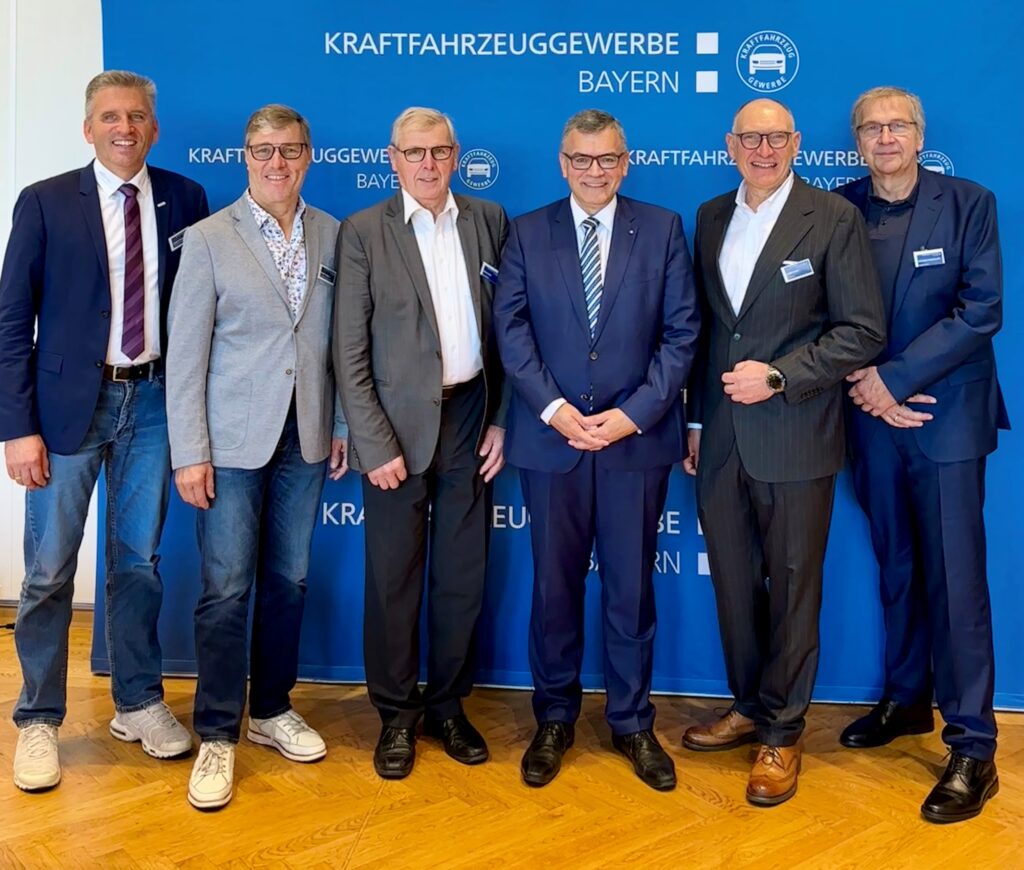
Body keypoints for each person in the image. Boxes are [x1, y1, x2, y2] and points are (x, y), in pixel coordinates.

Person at [0, 70, 208, 792]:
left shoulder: (186, 198)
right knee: (50, 569)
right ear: (88, 128)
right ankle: (37, 718)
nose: (126, 127)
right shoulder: (45, 202)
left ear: (154, 127)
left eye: (139, 116)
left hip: (150, 404)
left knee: (136, 565)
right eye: (111, 117)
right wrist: (16, 428)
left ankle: (138, 701)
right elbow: (10, 323)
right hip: (64, 414)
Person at [682, 98, 886, 806]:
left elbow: (862, 332)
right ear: (730, 145)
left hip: (798, 436)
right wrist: (698, 423)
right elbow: (709, 334)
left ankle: (784, 730)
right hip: (720, 440)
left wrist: (781, 376)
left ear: (796, 142)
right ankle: (749, 705)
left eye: (775, 137)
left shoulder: (833, 218)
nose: (762, 148)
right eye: (750, 138)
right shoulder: (710, 216)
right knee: (735, 585)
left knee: (795, 587)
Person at [494, 109, 699, 791]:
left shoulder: (664, 229)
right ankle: (553, 718)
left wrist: (629, 416)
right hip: (552, 445)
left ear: (625, 161)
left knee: (630, 590)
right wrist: (555, 411)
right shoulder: (525, 231)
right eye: (581, 160)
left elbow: (681, 337)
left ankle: (632, 722)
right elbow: (512, 332)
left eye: (606, 159)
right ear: (562, 162)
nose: (593, 171)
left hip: (631, 447)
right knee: (553, 591)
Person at [166, 104, 347, 810]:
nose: (278, 163)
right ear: (246, 157)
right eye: (264, 151)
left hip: (304, 438)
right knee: (226, 588)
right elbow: (187, 356)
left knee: (289, 581)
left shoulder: (334, 234)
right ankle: (217, 732)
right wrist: (192, 450)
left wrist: (335, 425)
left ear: (309, 157)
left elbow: (335, 345)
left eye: (291, 150)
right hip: (231, 443)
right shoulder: (210, 238)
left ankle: (271, 710)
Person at [836, 86, 1008, 823]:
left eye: (896, 125)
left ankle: (973, 746)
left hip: (946, 419)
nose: (885, 138)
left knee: (957, 581)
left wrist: (894, 380)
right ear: (856, 141)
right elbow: (823, 313)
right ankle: (907, 701)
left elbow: (982, 308)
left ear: (918, 134)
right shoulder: (838, 208)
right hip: (868, 420)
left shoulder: (969, 203)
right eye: (871, 128)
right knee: (898, 567)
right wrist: (868, 390)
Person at [335, 107, 508, 780]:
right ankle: (395, 716)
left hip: (471, 417)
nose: (428, 164)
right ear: (393, 158)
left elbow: (512, 333)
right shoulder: (362, 233)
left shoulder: (489, 220)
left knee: (463, 577)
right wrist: (373, 443)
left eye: (439, 151)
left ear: (456, 155)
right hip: (395, 426)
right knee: (393, 581)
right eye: (415, 153)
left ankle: (447, 706)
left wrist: (505, 419)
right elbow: (349, 350)